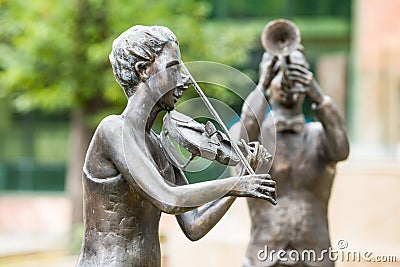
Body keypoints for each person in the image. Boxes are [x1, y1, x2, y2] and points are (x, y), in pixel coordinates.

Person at [76, 25, 276, 267]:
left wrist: (238, 184)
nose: (184, 80)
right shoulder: (114, 130)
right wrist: (235, 183)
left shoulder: (160, 145)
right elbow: (167, 198)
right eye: (173, 68)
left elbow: (194, 226)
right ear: (143, 71)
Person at [233, 45, 349, 267]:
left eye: (296, 71)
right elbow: (241, 148)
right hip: (263, 255)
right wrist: (262, 85)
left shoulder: (320, 136)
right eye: (277, 72)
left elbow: (341, 150)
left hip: (314, 256)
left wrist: (318, 95)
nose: (287, 79)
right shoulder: (256, 136)